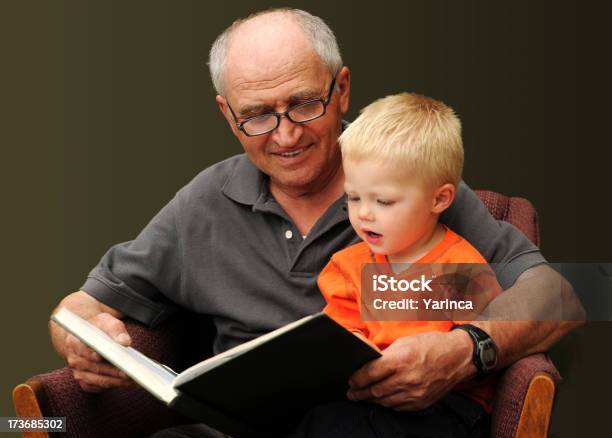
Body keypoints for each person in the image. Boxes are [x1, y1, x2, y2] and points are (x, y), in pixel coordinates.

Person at [48, 7, 582, 437]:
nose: (284, 136)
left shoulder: (404, 185)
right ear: (226, 114)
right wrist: (79, 336)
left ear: (341, 89)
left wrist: (466, 349)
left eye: (304, 104)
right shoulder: (202, 204)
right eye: (256, 115)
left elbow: (562, 295)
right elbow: (81, 306)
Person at [314, 92, 502, 436]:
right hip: (371, 397)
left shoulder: (460, 268)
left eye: (383, 201)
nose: (364, 213)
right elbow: (341, 331)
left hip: (445, 404)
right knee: (321, 421)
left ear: (440, 198)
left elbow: (484, 351)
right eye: (352, 198)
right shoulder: (347, 266)